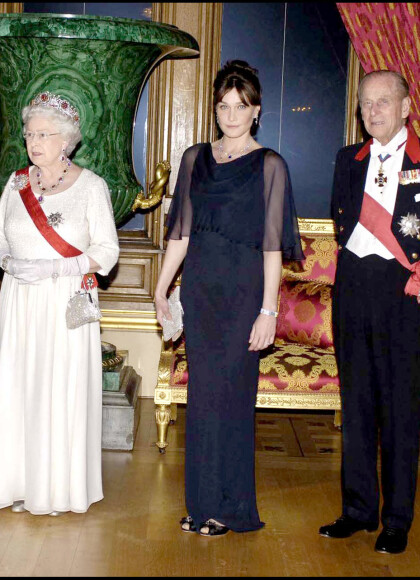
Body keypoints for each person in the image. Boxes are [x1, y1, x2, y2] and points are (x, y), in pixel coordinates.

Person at [154, 60, 303, 537]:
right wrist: (161, 290)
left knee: (232, 400)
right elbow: (180, 233)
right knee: (201, 400)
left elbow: (273, 246)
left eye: (241, 106)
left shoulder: (271, 165)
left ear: (256, 111)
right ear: (214, 109)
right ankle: (199, 506)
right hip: (200, 290)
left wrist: (268, 311)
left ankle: (231, 508)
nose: (231, 113)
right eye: (224, 105)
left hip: (243, 296)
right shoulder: (194, 159)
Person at [0, 92, 119, 515]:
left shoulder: (92, 186)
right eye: (29, 134)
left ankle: (57, 489)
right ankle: (20, 483)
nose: (33, 142)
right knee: (20, 386)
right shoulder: (17, 182)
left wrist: (57, 269)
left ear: (67, 140)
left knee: (61, 388)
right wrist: (4, 259)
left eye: (43, 134)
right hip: (20, 298)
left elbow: (107, 252)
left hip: (67, 298)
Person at [319, 70, 420, 555]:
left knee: (400, 408)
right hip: (353, 287)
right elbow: (342, 222)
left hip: (403, 292)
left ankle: (396, 520)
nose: (372, 111)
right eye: (365, 103)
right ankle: (358, 510)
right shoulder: (347, 159)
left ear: (406, 107)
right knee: (356, 404)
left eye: (383, 102)